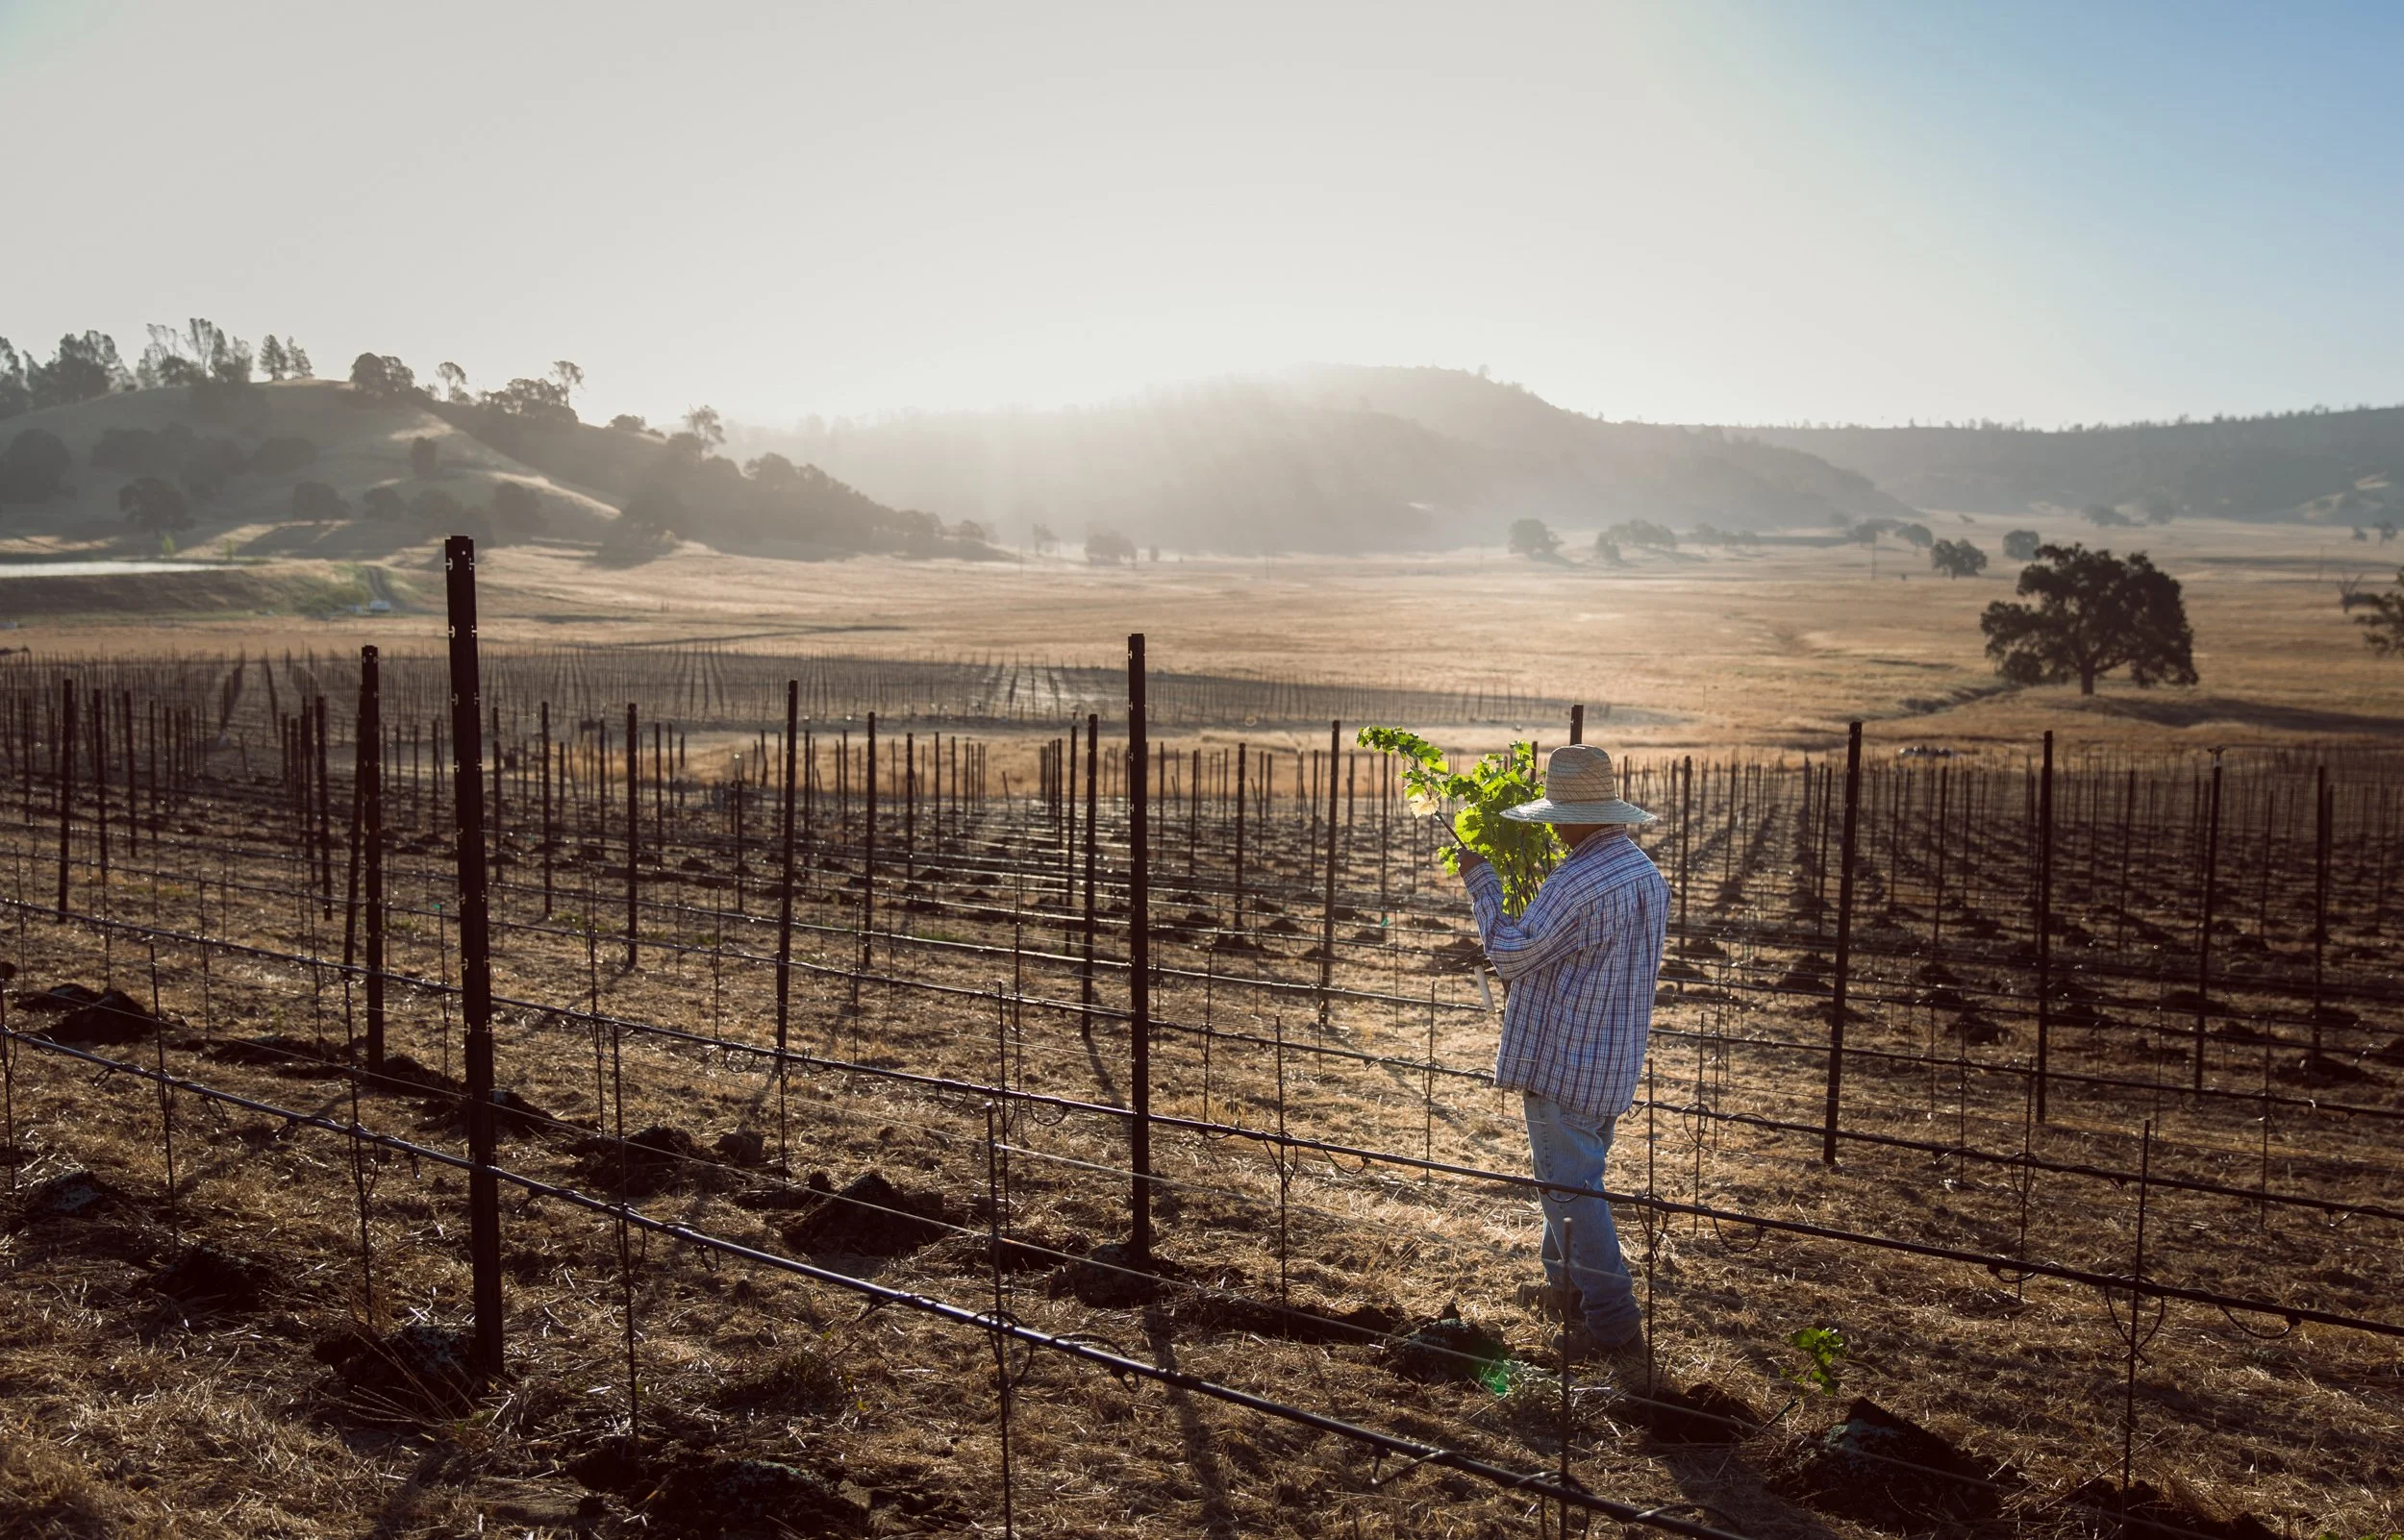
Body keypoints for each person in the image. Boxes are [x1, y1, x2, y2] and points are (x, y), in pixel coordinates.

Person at [1452, 743, 1667, 1375]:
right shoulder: (1645, 875)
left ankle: (1612, 1322)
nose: (1550, 826)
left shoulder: (1576, 880)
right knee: (1571, 1185)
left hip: (1563, 1062)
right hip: (1611, 1060)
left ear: (1577, 815)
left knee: (1570, 1190)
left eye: (1554, 815)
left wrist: (1481, 883)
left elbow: (1513, 955)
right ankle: (1564, 1290)